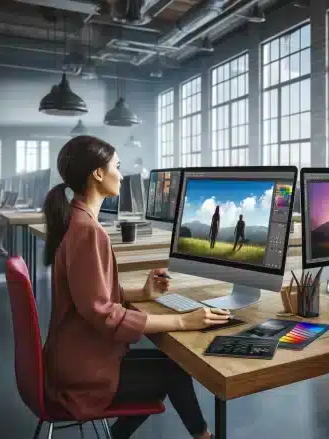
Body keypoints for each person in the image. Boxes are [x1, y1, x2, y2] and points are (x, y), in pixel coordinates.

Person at [41, 135, 229, 439]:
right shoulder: (88, 231)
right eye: (117, 165)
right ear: (98, 174)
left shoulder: (77, 221)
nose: (122, 173)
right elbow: (105, 315)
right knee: (174, 369)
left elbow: (89, 295)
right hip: (81, 373)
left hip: (70, 360)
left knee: (172, 365)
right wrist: (183, 320)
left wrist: (142, 295)